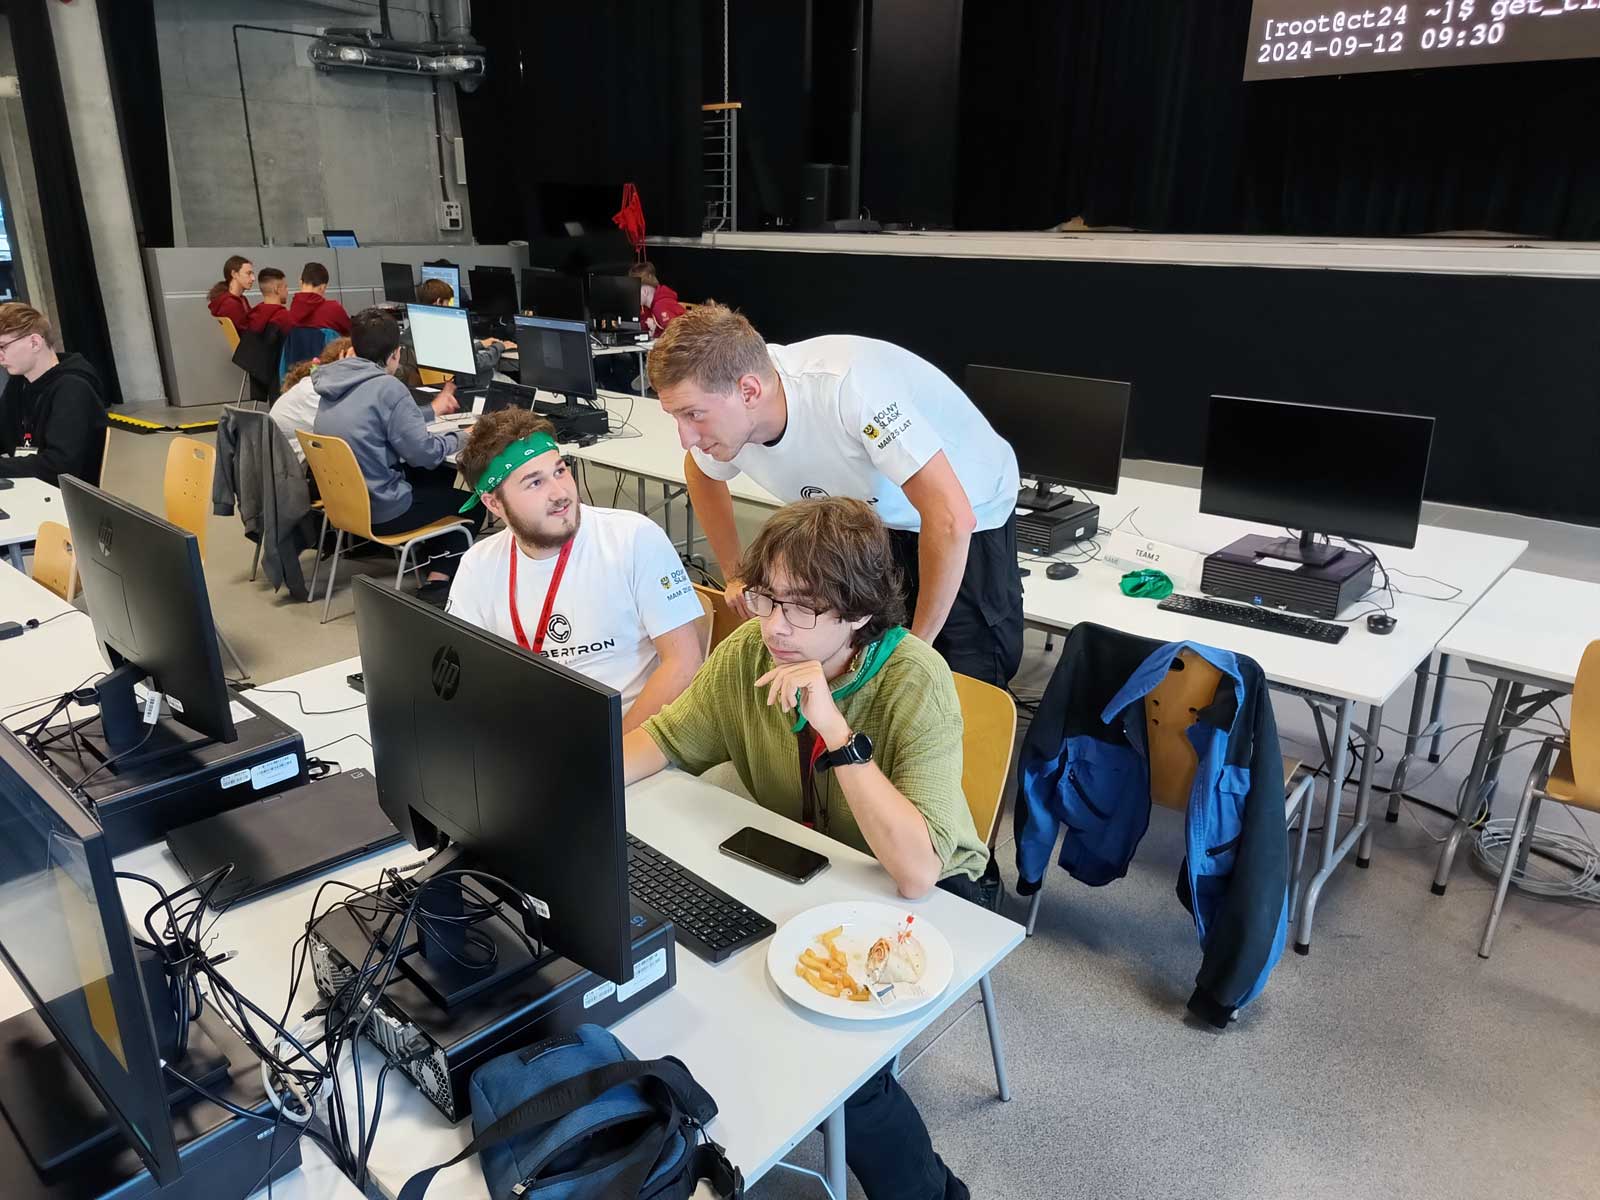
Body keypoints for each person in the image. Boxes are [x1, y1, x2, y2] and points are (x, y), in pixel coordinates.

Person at [623, 497, 986, 1200]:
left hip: (930, 894)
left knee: (847, 1072)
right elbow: (663, 741)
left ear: (858, 611)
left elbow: (918, 871)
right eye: (766, 598)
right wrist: (572, 785)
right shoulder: (749, 653)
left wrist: (835, 728)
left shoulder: (913, 678)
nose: (775, 626)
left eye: (802, 608)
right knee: (695, 974)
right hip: (808, 871)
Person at [648, 303, 1024, 688]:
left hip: (961, 513)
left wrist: (918, 649)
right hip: (868, 521)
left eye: (693, 415)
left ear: (749, 391)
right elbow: (700, 473)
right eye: (676, 417)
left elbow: (951, 519)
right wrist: (734, 574)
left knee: (958, 669)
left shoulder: (850, 387)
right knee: (857, 656)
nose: (685, 438)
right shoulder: (728, 421)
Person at [446, 409, 704, 730]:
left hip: (630, 733)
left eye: (560, 470)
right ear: (494, 504)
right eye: (535, 482)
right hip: (534, 736)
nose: (560, 493)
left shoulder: (634, 539)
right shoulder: (479, 564)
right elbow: (463, 672)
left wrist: (619, 750)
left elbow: (684, 664)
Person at [312, 308, 475, 590]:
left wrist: (431, 411)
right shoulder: (388, 387)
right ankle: (437, 583)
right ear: (396, 354)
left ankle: (426, 553)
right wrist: (464, 436)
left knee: (437, 476)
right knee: (472, 503)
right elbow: (425, 453)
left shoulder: (333, 382)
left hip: (346, 507)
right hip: (384, 512)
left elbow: (377, 417)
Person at [0, 302, 108, 486]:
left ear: (35, 342)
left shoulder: (73, 388)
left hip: (64, 495)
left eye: (3, 347)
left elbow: (59, 466)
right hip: (33, 486)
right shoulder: (19, 382)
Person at [413, 277, 513, 380]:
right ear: (439, 302)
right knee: (512, 383)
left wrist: (479, 345)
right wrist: (499, 347)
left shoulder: (420, 328)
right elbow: (477, 364)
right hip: (469, 381)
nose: (449, 306)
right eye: (448, 302)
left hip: (440, 382)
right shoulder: (446, 330)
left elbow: (456, 356)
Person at [272, 337, 352, 463]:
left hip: (283, 459)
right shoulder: (316, 392)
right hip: (287, 466)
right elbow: (346, 431)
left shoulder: (313, 384)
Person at [288, 262, 352, 336]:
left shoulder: (289, 314)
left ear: (300, 282)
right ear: (323, 287)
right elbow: (352, 332)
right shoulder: (333, 309)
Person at [629, 261, 685, 336]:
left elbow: (675, 335)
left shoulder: (660, 306)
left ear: (645, 291)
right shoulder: (650, 306)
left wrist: (655, 331)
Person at [206, 255, 254, 328]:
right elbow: (247, 330)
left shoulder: (241, 299)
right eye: (248, 273)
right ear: (234, 274)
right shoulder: (230, 303)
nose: (253, 278)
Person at [245, 268, 295, 334]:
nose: (287, 291)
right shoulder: (285, 317)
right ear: (277, 289)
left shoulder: (253, 315)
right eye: (285, 287)